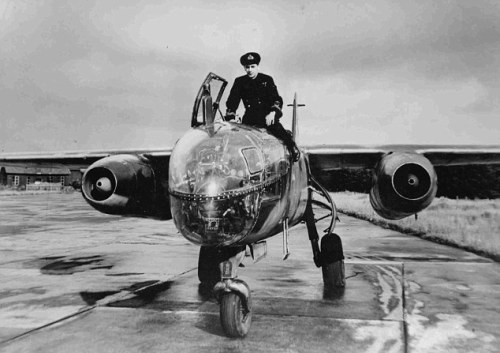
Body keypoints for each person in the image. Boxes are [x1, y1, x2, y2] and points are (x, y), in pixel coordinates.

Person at [225, 52, 300, 162]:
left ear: (257, 67)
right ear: (244, 68)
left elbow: (276, 99)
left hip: (267, 116)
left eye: (252, 67)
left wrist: (273, 112)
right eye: (247, 67)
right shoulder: (240, 82)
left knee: (279, 130)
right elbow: (232, 101)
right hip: (250, 118)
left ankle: (292, 147)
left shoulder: (267, 80)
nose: (250, 70)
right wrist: (231, 117)